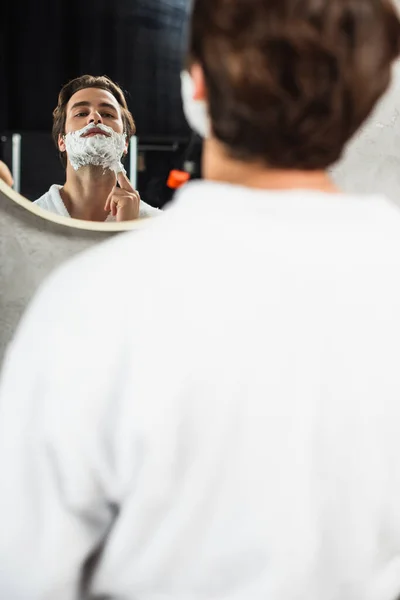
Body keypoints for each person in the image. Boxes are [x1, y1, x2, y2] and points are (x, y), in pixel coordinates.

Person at [1, 0, 400, 598]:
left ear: (196, 88)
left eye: (107, 111)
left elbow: (26, 576)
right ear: (373, 93)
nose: (94, 121)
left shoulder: (87, 311)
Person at [34, 75, 160, 221]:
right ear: (62, 141)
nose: (95, 117)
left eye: (107, 114)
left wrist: (129, 228)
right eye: (81, 113)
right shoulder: (27, 220)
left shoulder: (158, 226)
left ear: (125, 142)